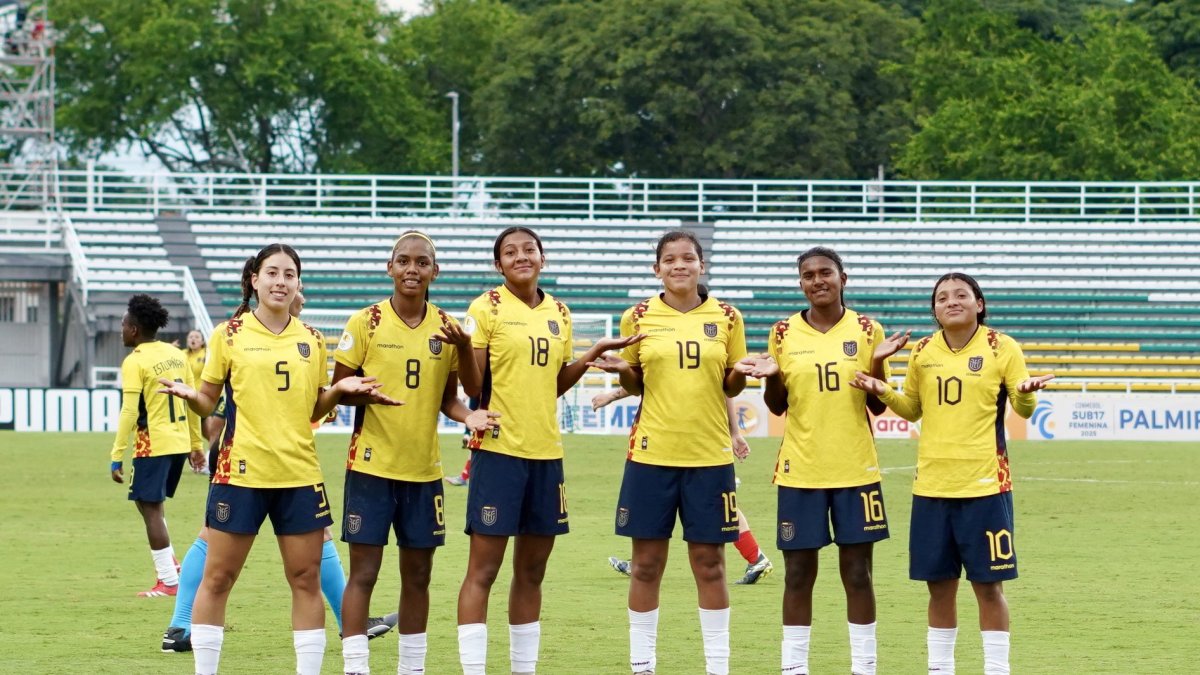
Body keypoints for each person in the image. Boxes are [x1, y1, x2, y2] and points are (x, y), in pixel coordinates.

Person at [157, 243, 400, 675]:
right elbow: (208, 401)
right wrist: (190, 396)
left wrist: (340, 392)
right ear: (255, 279)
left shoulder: (310, 339)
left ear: (298, 283)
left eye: (289, 274)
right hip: (240, 476)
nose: (280, 281)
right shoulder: (228, 334)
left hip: (299, 476)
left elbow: (312, 410)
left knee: (305, 581)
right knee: (218, 580)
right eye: (272, 273)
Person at [456, 226, 641, 675]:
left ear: (543, 257)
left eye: (529, 249)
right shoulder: (486, 307)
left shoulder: (559, 311)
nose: (522, 256)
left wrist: (592, 352)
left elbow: (555, 384)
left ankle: (524, 669)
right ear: (498, 264)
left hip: (546, 455)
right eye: (510, 252)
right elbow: (473, 385)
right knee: (484, 570)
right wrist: (464, 348)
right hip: (498, 453)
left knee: (532, 571)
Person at [849, 272, 1054, 675]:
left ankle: (997, 669)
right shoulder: (923, 351)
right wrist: (882, 390)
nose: (951, 301)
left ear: (979, 303)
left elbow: (1022, 408)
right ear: (935, 309)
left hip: (985, 486)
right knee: (938, 586)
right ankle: (940, 669)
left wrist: (1027, 393)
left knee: (988, 586)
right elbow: (912, 408)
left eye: (962, 294)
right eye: (942, 297)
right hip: (931, 488)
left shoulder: (1002, 347)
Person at [736, 246, 909, 675]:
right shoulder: (782, 332)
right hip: (801, 469)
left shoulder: (868, 329)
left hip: (856, 470)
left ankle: (864, 667)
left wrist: (879, 364)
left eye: (825, 273)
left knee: (858, 574)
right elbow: (776, 407)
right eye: (809, 275)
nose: (818, 280)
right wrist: (772, 376)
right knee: (798, 573)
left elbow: (879, 406)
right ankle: (795, 668)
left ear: (842, 279)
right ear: (801, 284)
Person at [334, 231, 499, 675]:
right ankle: (355, 667)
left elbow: (457, 396)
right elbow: (339, 391)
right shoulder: (364, 323)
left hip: (424, 473)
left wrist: (468, 416)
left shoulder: (446, 329)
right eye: (403, 261)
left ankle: (412, 668)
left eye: (422, 262)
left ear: (434, 271)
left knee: (418, 577)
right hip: (370, 468)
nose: (412, 269)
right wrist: (356, 394)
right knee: (364, 574)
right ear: (390, 267)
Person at [588, 230, 747, 675]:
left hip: (710, 458)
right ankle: (643, 665)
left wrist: (745, 373)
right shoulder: (637, 317)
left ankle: (718, 666)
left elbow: (730, 384)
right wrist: (625, 372)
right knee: (646, 565)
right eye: (670, 259)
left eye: (688, 258)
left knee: (710, 564)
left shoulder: (729, 317)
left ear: (701, 265)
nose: (679, 265)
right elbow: (638, 383)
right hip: (651, 456)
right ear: (656, 268)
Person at [596, 390, 773, 585]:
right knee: (718, 507)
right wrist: (734, 432)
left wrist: (612, 396)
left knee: (693, 505)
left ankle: (642, 562)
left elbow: (641, 377)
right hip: (701, 444)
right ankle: (755, 557)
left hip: (681, 446)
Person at [110, 294, 205, 598]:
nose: (121, 330)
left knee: (149, 508)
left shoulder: (135, 360)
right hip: (177, 442)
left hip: (154, 443)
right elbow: (191, 399)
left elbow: (128, 411)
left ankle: (168, 580)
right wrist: (195, 444)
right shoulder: (176, 354)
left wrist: (116, 454)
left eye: (124, 325)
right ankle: (172, 567)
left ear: (134, 330)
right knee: (148, 503)